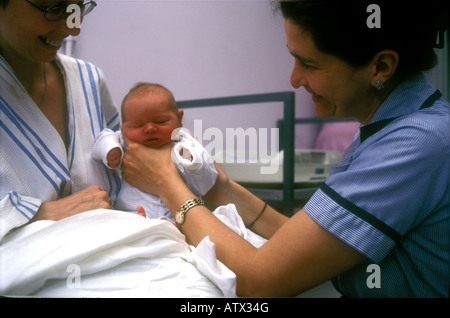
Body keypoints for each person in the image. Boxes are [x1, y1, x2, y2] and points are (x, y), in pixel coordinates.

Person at [120, 0, 449, 297]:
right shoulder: (386, 128)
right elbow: (308, 244)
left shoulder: (417, 143)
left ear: (380, 67)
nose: (294, 79)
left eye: (309, 63)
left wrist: (166, 181)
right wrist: (221, 189)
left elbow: (259, 282)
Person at [0, 0, 119, 240]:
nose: (74, 28)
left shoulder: (89, 80)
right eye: (53, 8)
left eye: (78, 8)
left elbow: (128, 179)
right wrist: (40, 213)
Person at [91, 82, 218, 221]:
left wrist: (194, 164)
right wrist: (110, 149)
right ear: (124, 128)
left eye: (161, 121)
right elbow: (102, 138)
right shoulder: (124, 141)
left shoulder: (185, 144)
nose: (150, 128)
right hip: (133, 213)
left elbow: (205, 186)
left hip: (179, 215)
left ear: (179, 119)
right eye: (138, 125)